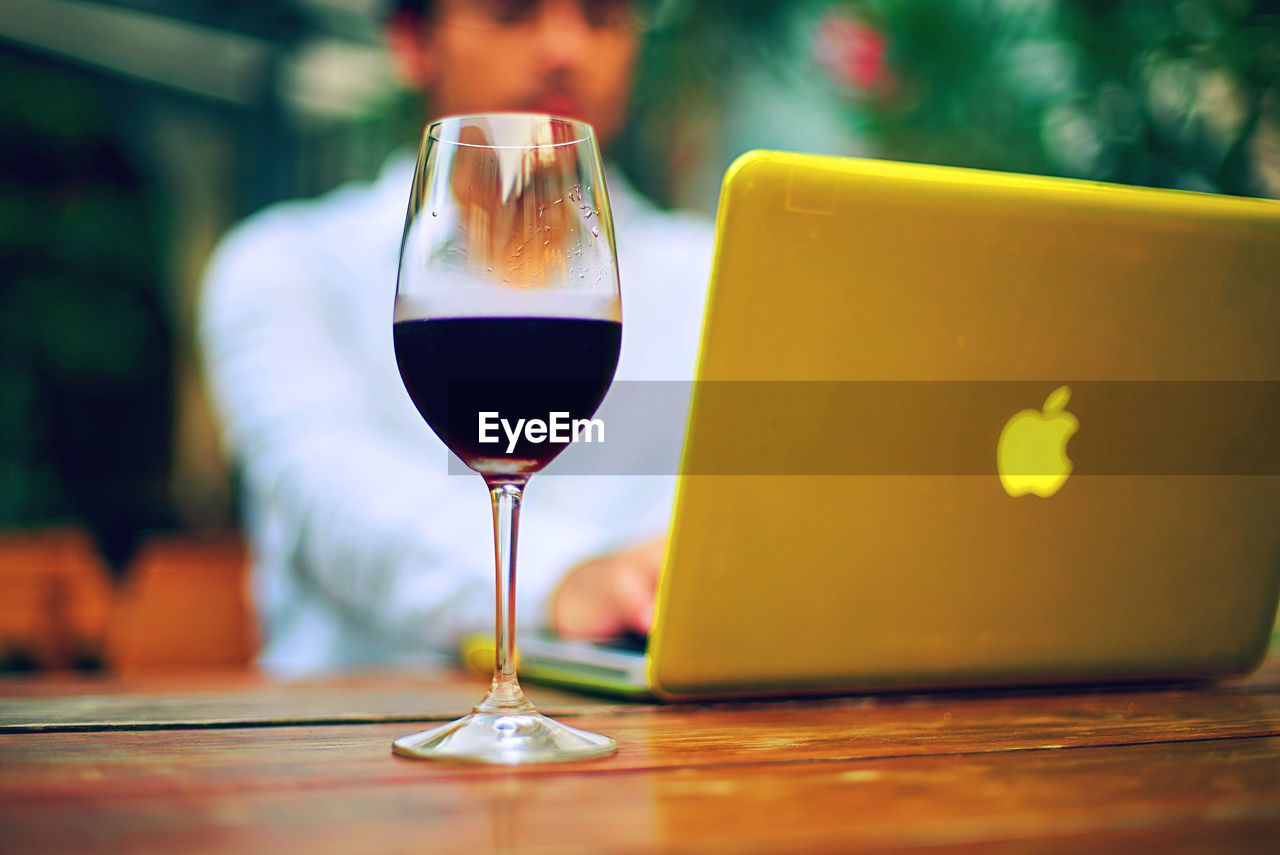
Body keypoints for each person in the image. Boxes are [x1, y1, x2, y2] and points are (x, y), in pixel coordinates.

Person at [199, 0, 714, 673]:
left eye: (600, 17)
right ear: (412, 42)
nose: (565, 48)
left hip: (658, 745)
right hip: (351, 744)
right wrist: (569, 578)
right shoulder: (288, 265)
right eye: (511, 13)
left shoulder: (716, 271)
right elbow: (334, 503)